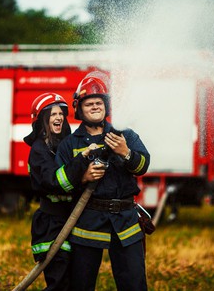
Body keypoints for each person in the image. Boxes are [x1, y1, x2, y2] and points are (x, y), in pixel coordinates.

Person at [55, 71, 151, 291]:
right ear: (79, 108)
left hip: (125, 221)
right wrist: (84, 177)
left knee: (134, 284)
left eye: (99, 102)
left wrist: (126, 152)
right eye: (89, 103)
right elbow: (61, 182)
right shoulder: (69, 144)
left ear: (106, 106)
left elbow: (143, 165)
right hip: (87, 220)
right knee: (81, 284)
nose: (95, 106)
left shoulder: (125, 135)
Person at [23, 92, 95, 291]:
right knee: (59, 284)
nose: (59, 117)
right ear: (43, 120)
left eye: (61, 113)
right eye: (53, 114)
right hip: (51, 225)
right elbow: (54, 181)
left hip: (71, 221)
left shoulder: (63, 146)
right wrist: (82, 163)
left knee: (76, 282)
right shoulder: (39, 150)